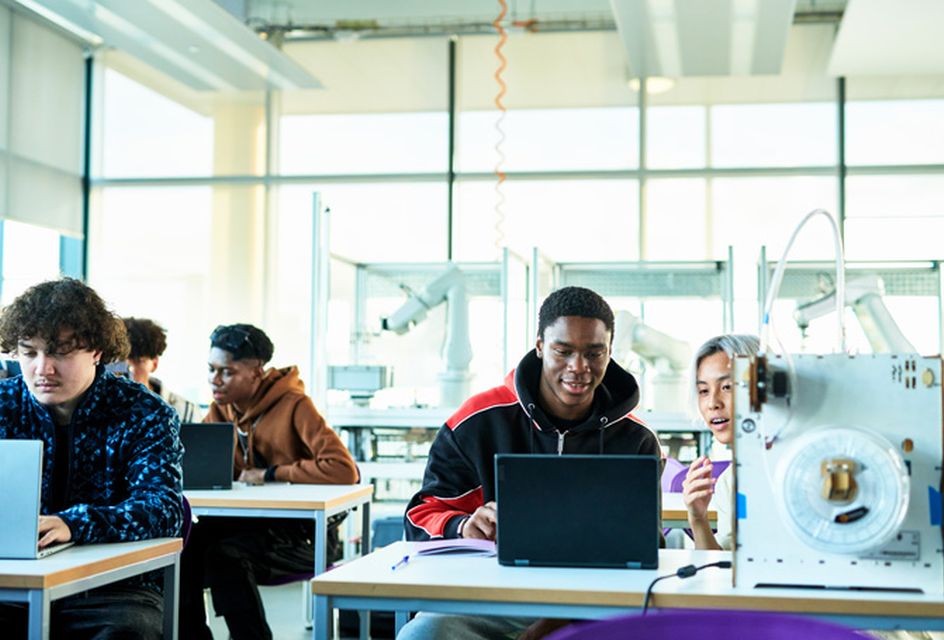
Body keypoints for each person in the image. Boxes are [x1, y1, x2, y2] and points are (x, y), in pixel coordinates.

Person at [399, 286, 663, 640]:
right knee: (423, 635)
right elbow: (420, 516)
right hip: (493, 599)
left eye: (594, 353)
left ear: (610, 352)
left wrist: (552, 625)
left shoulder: (636, 439)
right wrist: (462, 526)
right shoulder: (476, 421)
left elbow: (645, 548)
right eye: (563, 351)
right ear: (539, 346)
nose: (579, 367)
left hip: (596, 604)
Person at [0, 278, 184, 639]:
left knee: (127, 631)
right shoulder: (3, 404)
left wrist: (75, 524)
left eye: (61, 352)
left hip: (113, 588)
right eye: (29, 352)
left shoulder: (143, 412)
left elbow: (164, 508)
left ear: (96, 352)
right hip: (12, 582)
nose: (43, 368)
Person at [179, 323, 359, 640]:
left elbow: (344, 469)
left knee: (225, 557)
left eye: (227, 372)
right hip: (247, 524)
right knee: (184, 547)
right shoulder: (220, 409)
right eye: (211, 369)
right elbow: (213, 469)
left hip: (303, 535)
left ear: (256, 372)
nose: (215, 380)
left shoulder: (295, 405)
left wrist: (272, 474)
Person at [681, 334, 759, 551]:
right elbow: (724, 568)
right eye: (703, 391)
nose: (713, 403)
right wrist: (698, 518)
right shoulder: (730, 481)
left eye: (727, 387)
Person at [123, 316, 202, 422]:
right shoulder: (100, 407)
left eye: (139, 361)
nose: (130, 369)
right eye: (121, 362)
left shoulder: (185, 411)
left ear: (154, 363)